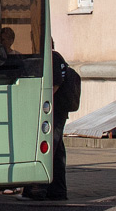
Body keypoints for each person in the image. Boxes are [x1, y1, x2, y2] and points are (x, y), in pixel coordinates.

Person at [25, 46, 80, 201]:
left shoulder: (52, 58)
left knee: (48, 149)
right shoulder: (57, 58)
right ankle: (57, 191)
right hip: (59, 111)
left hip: (54, 112)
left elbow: (55, 84)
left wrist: (40, 103)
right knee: (57, 153)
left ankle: (37, 190)